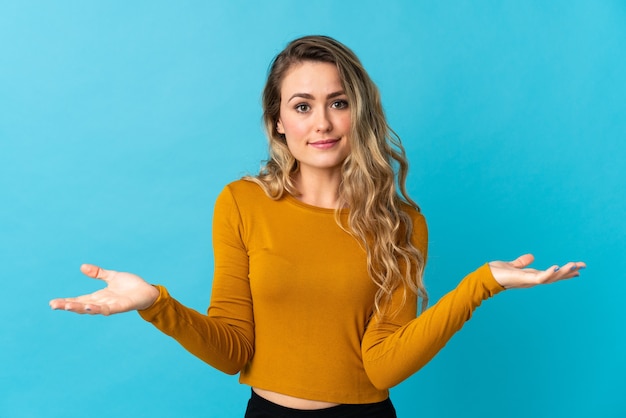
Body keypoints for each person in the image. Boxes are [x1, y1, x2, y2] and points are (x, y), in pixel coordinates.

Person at [50, 35, 585, 417]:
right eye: (302, 106)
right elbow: (233, 349)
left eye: (338, 103)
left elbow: (382, 368)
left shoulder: (401, 223)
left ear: (359, 114)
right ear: (279, 121)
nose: (322, 122)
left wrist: (481, 285)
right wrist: (155, 304)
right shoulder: (241, 204)